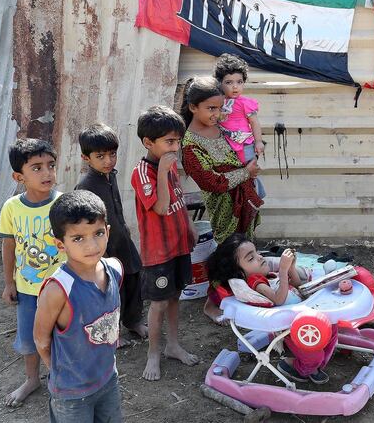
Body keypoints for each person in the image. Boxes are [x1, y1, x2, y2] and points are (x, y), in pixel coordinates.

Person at [34, 191, 123, 422]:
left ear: (108, 231)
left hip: (107, 378)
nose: (92, 245)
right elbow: (41, 340)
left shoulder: (114, 270)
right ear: (60, 244)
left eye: (98, 233)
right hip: (71, 393)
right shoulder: (58, 290)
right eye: (78, 238)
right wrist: (62, 375)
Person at [206, 234, 337, 385]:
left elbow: (297, 286)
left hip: (303, 315)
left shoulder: (268, 276)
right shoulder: (255, 282)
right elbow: (279, 299)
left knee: (331, 329)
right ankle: (293, 366)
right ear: (239, 272)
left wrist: (291, 268)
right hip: (290, 325)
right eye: (251, 258)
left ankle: (314, 367)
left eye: (257, 252)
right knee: (314, 356)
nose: (260, 257)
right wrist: (283, 270)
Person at [131, 105, 199, 381]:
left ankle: (172, 345)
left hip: (178, 246)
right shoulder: (143, 173)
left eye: (178, 141)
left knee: (175, 297)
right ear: (149, 142)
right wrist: (162, 172)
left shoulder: (169, 165)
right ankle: (153, 354)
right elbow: (160, 207)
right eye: (169, 141)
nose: (176, 146)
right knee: (158, 303)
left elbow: (179, 202)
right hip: (158, 253)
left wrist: (190, 228)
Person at [0, 138, 64, 408]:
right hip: (27, 289)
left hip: (61, 289)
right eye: (36, 168)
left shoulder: (63, 204)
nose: (47, 173)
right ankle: (32, 379)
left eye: (50, 165)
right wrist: (8, 282)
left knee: (62, 335)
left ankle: (60, 378)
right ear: (19, 176)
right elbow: (8, 245)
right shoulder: (12, 207)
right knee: (29, 338)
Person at [75, 123, 147, 346]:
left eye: (112, 154)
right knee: (110, 289)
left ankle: (133, 320)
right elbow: (84, 225)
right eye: (101, 156)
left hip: (120, 239)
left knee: (134, 276)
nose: (108, 161)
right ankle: (111, 332)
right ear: (86, 158)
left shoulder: (110, 176)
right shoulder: (86, 186)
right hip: (103, 248)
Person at [180, 76, 263, 245]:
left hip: (244, 205)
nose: (217, 114)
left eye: (220, 108)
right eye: (211, 109)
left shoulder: (221, 127)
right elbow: (212, 183)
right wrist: (246, 172)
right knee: (231, 254)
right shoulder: (190, 145)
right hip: (225, 216)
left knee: (247, 251)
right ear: (193, 107)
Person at [213, 54, 265, 185]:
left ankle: (252, 198)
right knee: (231, 174)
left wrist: (258, 142)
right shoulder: (217, 101)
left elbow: (254, 122)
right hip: (224, 145)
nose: (235, 86)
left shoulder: (245, 103)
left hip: (245, 144)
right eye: (229, 82)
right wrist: (219, 116)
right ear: (220, 83)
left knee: (250, 172)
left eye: (239, 82)